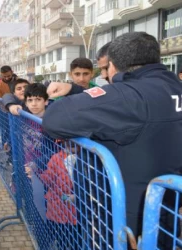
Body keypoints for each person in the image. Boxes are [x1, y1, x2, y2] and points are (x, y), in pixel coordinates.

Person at [43, 32, 182, 249]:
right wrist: (77, 89)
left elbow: (54, 119)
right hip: (168, 211)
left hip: (126, 220)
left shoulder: (130, 95)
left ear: (114, 66)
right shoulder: (174, 86)